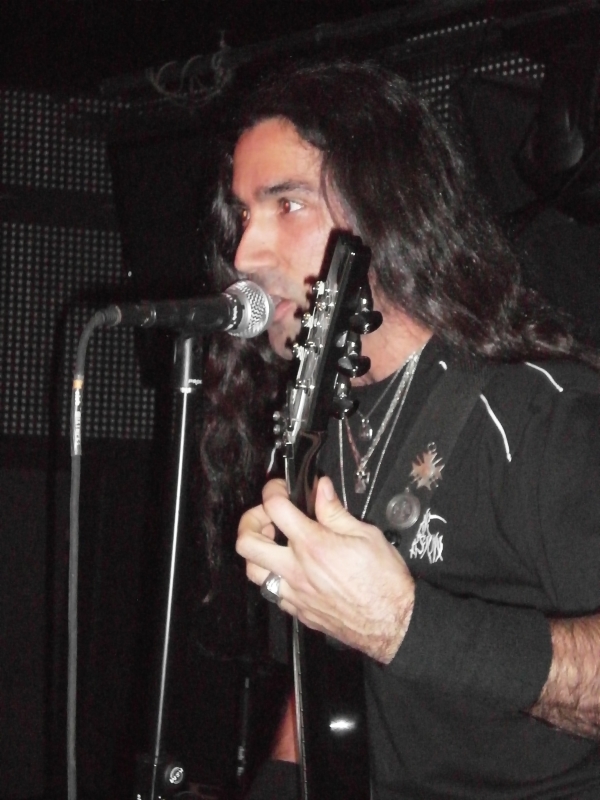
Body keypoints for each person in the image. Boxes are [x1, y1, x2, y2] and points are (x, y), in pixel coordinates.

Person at [199, 59, 600, 799]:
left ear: (389, 211)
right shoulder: (313, 433)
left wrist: (404, 625)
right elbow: (323, 677)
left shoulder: (536, 415)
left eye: (287, 204)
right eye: (244, 216)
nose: (246, 254)